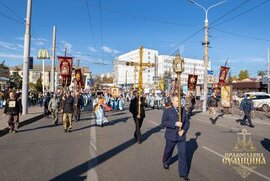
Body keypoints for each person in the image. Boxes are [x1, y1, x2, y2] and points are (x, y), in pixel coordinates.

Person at [161, 95, 190, 181]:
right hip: (171, 135)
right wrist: (174, 124)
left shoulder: (183, 110)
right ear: (173, 101)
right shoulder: (167, 110)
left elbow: (187, 123)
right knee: (168, 151)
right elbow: (163, 123)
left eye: (180, 101)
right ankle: (165, 161)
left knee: (183, 154)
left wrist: (183, 130)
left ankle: (183, 173)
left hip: (181, 136)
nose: (179, 103)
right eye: (177, 101)